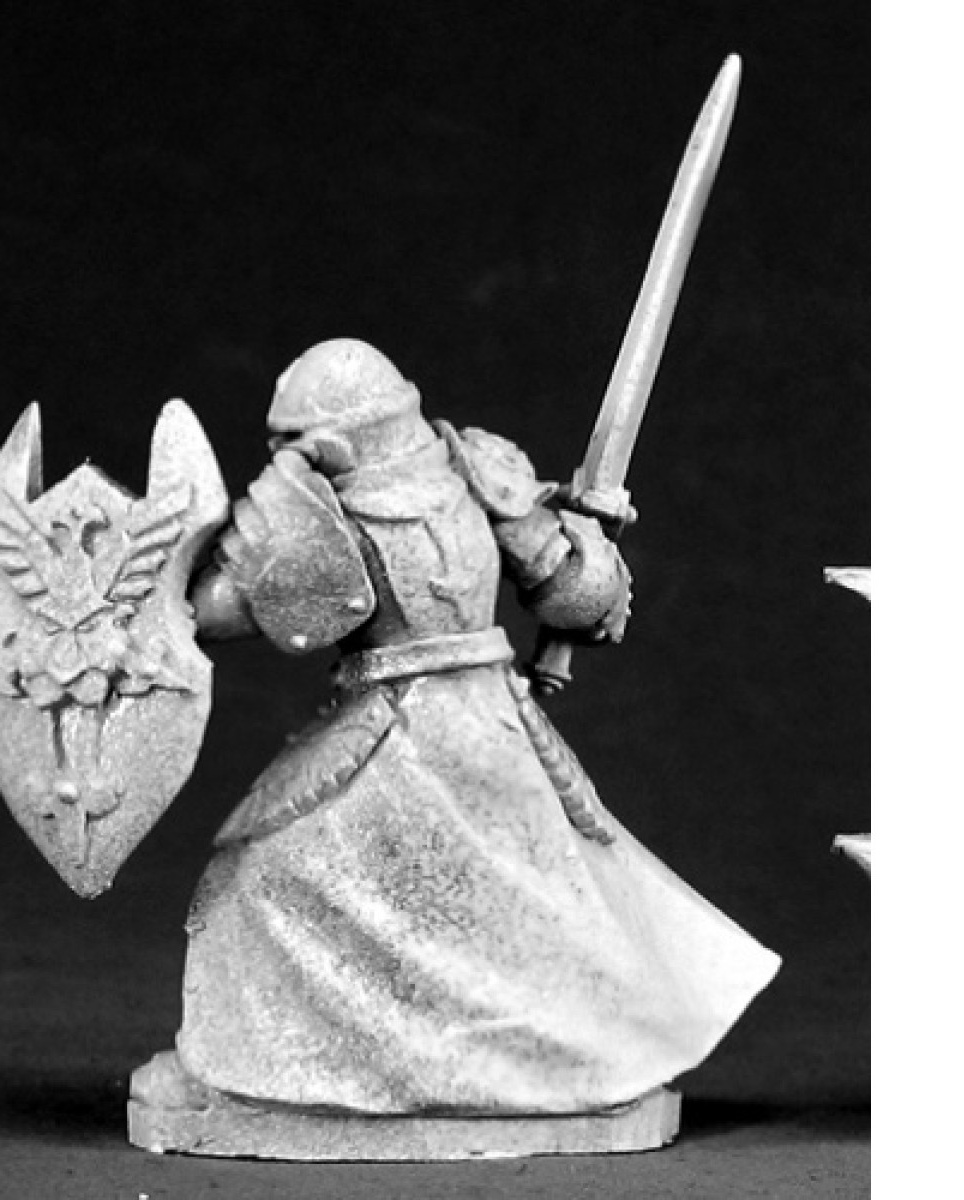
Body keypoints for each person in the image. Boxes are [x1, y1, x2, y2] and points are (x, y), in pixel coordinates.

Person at [133, 337, 779, 1117]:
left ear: (333, 439)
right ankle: (336, 1064)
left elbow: (574, 598)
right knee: (485, 896)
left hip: (438, 734)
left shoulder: (464, 474)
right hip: (437, 727)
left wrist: (589, 549)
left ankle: (493, 1070)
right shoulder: (415, 483)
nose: (286, 458)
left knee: (274, 879)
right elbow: (222, 607)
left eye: (295, 442)